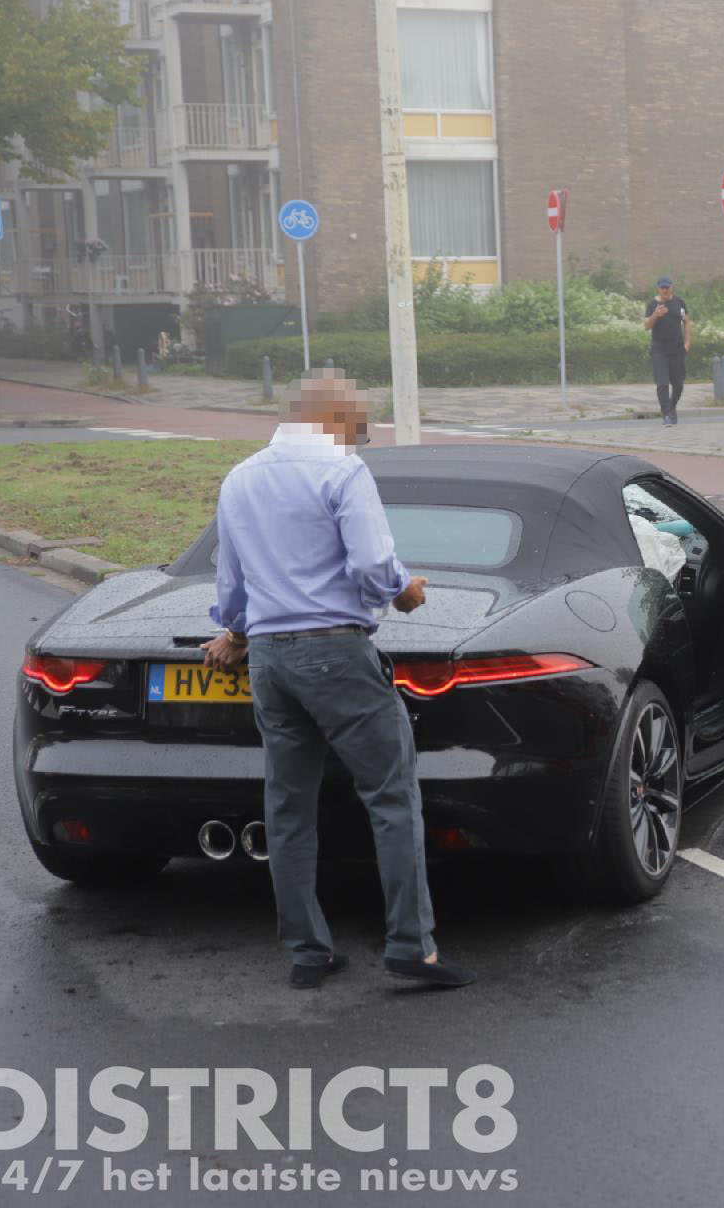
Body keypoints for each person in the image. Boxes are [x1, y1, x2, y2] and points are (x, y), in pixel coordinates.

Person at [201, 370, 475, 991]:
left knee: (288, 806)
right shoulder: (341, 471)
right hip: (335, 653)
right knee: (391, 796)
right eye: (357, 418)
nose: (363, 431)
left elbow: (232, 586)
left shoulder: (239, 477)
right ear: (328, 415)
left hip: (270, 660)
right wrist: (402, 592)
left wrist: (237, 634)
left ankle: (306, 951)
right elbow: (374, 562)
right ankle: (412, 946)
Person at [642, 276, 692, 425]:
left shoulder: (679, 303)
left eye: (667, 287)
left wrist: (687, 343)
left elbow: (687, 322)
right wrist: (655, 315)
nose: (665, 290)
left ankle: (671, 407)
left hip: (677, 350)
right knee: (662, 383)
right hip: (659, 350)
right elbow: (646, 326)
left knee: (678, 385)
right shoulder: (653, 304)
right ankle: (667, 415)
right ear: (658, 288)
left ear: (671, 287)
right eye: (662, 287)